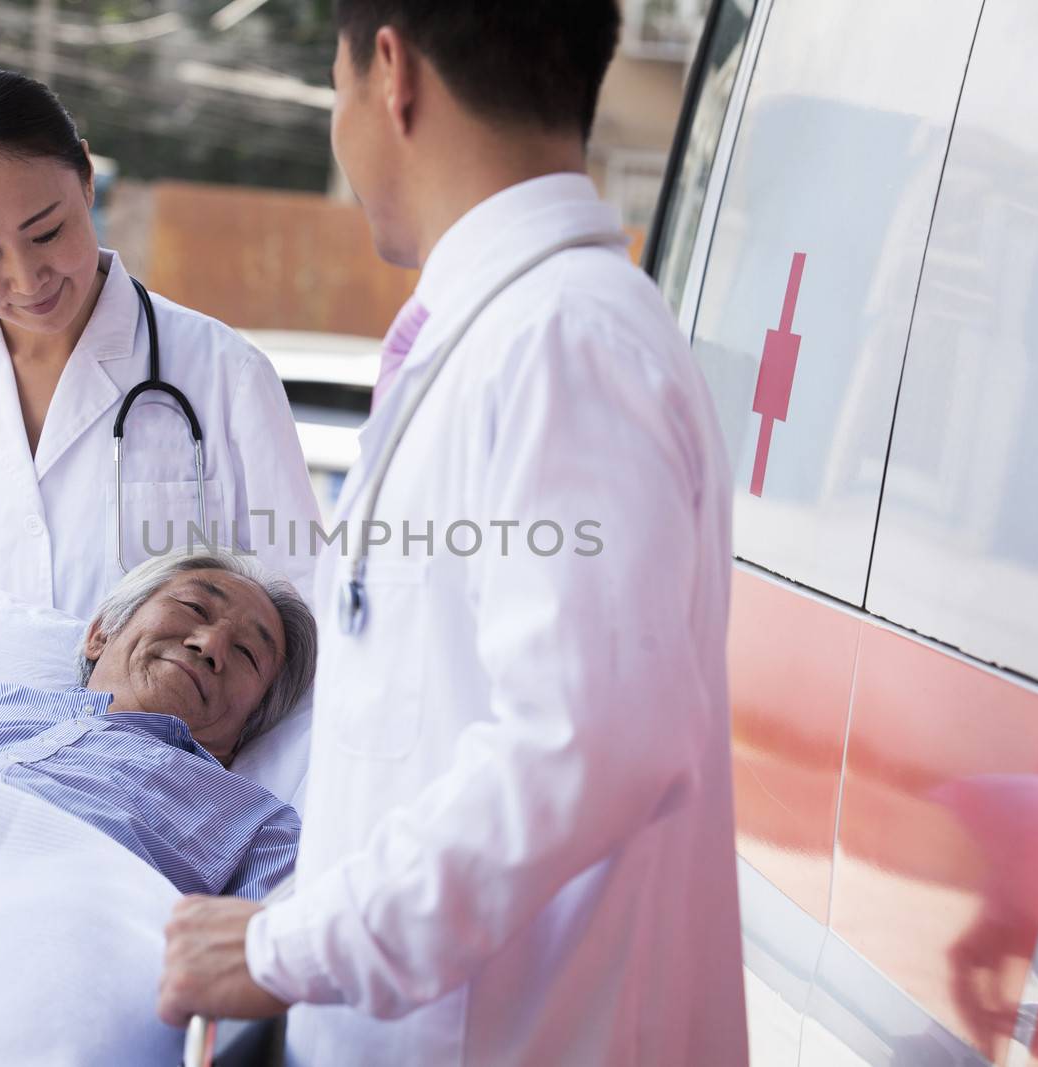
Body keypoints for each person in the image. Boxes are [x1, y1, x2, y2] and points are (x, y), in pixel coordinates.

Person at [156, 3, 749, 1064]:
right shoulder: (503, 331)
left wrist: (291, 946)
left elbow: (586, 742)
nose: (341, 129)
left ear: (392, 74)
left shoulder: (562, 340)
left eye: (334, 90)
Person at [0, 69, 319, 619]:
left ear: (86, 179)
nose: (26, 278)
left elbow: (301, 610)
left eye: (46, 234)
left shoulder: (226, 375)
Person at [0, 550, 317, 900]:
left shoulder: (259, 827)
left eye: (247, 653)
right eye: (193, 608)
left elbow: (253, 970)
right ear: (100, 632)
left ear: (248, 726)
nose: (211, 644)